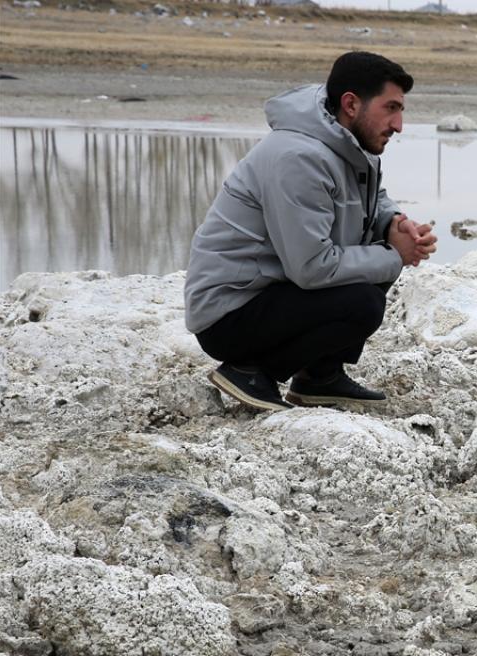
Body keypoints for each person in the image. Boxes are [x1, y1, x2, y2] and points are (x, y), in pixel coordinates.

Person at [185, 51, 436, 411]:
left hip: (271, 291)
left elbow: (369, 197)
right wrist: (395, 255)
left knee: (375, 263)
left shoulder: (348, 141)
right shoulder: (299, 157)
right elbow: (312, 268)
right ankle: (252, 373)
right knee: (363, 301)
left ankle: (320, 375)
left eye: (401, 110)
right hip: (229, 312)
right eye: (390, 108)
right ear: (351, 104)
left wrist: (394, 223)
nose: (398, 125)